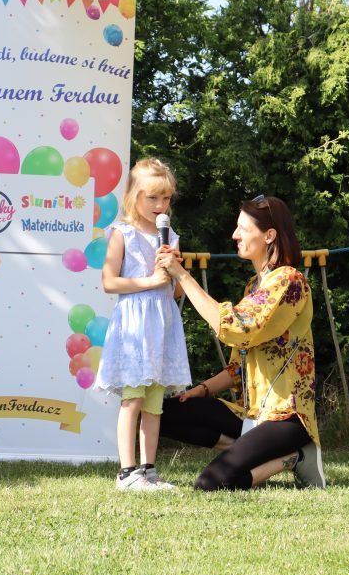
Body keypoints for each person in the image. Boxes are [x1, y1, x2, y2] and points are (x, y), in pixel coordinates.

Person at [156, 195, 324, 491]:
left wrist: (182, 275)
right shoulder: (254, 286)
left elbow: (236, 328)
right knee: (165, 413)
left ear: (269, 235)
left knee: (211, 483)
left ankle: (293, 457)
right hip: (251, 416)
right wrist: (200, 391)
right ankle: (254, 449)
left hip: (286, 418)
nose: (235, 235)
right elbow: (238, 367)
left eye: (243, 229)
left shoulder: (290, 281)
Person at [95, 158, 192, 492]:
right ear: (133, 196)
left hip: (162, 325)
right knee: (133, 398)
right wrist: (150, 281)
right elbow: (109, 282)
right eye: (152, 197)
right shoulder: (122, 233)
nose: (160, 205)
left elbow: (175, 291)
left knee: (154, 403)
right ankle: (126, 472)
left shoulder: (170, 237)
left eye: (165, 198)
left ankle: (149, 470)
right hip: (135, 327)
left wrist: (175, 269)